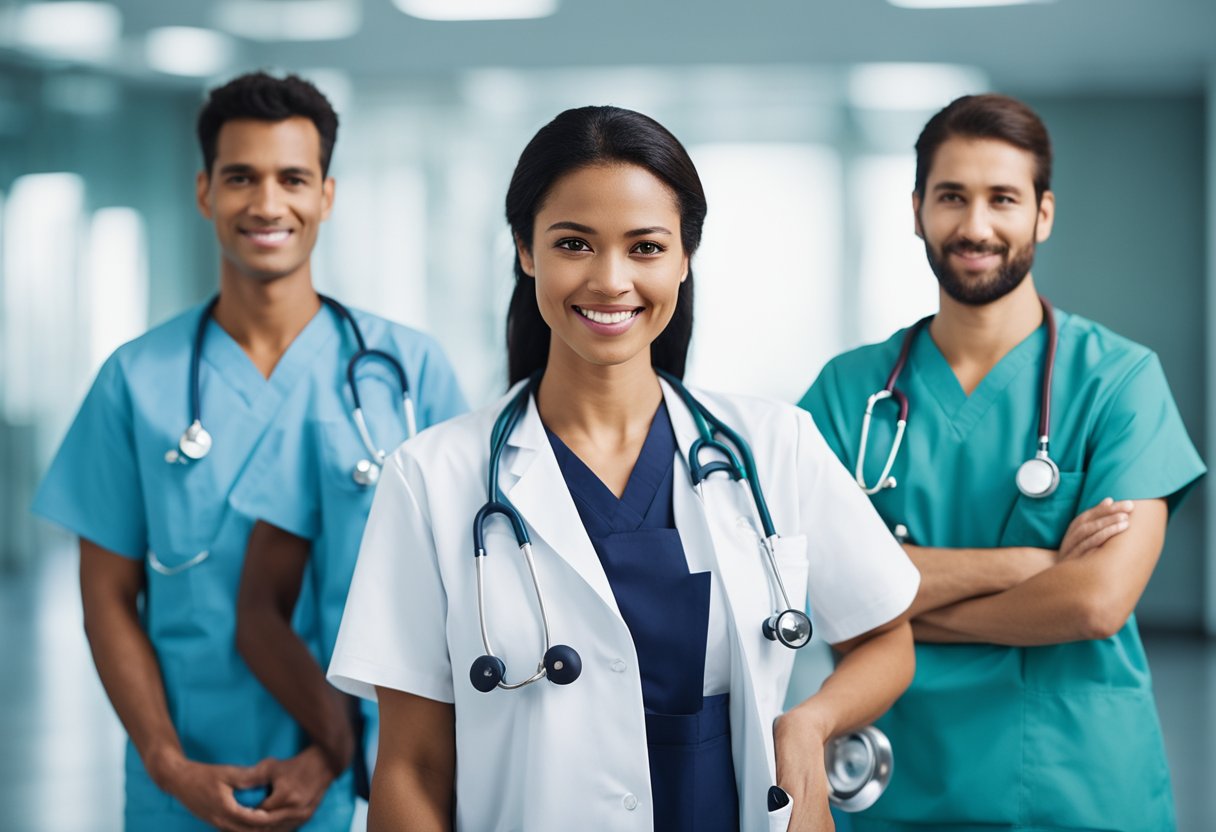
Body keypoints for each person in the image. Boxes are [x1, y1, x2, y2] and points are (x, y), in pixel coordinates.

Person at [325, 105, 920, 832]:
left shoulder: (773, 446)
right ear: (524, 250)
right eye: (574, 243)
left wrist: (808, 726)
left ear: (684, 258)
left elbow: (885, 637)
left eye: (645, 247)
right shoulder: (433, 479)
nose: (610, 281)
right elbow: (412, 768)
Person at [31, 71, 463, 831]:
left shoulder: (407, 374)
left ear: (326, 194)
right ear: (204, 192)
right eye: (241, 178)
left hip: (368, 777)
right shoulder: (135, 380)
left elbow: (449, 595)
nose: (267, 204)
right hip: (186, 781)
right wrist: (168, 766)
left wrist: (335, 751)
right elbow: (105, 597)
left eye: (293, 178)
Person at [799, 93, 1205, 831]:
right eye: (952, 197)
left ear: (1043, 214)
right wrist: (1028, 565)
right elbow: (813, 590)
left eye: (1003, 199)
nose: (976, 226)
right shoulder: (848, 391)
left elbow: (1095, 603)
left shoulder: (1118, 380)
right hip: (896, 781)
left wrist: (890, 614)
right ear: (917, 208)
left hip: (1075, 787)